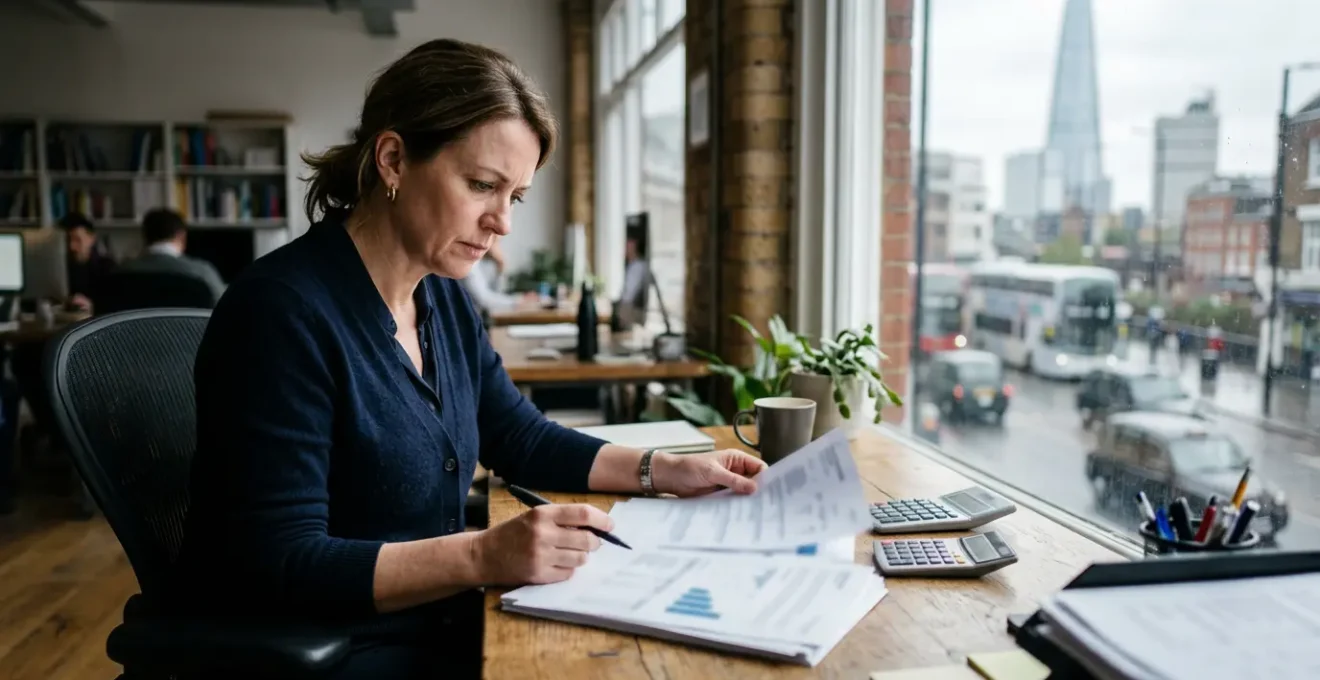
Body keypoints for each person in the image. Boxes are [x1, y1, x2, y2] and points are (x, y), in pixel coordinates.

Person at [171, 38, 766, 680]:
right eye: (483, 185)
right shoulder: (280, 315)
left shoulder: (442, 298)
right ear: (394, 159)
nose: (502, 222)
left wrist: (664, 471)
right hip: (339, 648)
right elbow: (278, 563)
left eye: (515, 196)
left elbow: (519, 436)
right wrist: (483, 556)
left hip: (443, 620)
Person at [117, 208, 227, 302]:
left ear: (145, 236)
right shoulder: (202, 272)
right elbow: (225, 307)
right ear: (181, 236)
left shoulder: (122, 270)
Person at [460, 238, 533, 314]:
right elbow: (485, 300)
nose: (498, 246)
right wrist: (518, 301)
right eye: (495, 241)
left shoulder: (486, 264)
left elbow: (496, 294)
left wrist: (500, 267)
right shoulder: (470, 262)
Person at [60, 212, 115, 311]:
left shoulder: (108, 268)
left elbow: (115, 307)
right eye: (67, 241)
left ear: (92, 238)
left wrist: (92, 306)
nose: (71, 247)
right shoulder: (58, 269)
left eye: (77, 240)